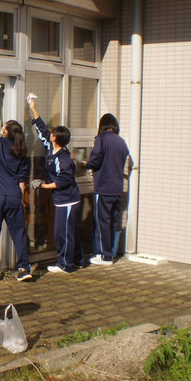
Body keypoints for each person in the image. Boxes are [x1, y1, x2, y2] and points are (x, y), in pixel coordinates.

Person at [0, 84, 32, 281]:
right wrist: (21, 201)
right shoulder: (20, 152)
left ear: (4, 132)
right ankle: (24, 269)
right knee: (18, 233)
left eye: (3, 127)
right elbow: (22, 181)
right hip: (13, 196)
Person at [28, 99, 83, 273]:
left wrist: (43, 186)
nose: (49, 134)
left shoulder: (64, 159)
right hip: (61, 200)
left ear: (57, 138)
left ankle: (65, 264)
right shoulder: (51, 148)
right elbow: (42, 129)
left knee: (63, 233)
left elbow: (63, 181)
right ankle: (78, 260)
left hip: (68, 201)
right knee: (69, 232)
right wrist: (33, 108)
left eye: (53, 133)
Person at [83, 113, 130, 266]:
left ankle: (105, 256)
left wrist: (87, 164)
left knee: (102, 221)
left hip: (103, 188)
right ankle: (110, 252)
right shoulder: (121, 141)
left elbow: (95, 160)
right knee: (112, 222)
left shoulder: (101, 139)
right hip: (117, 188)